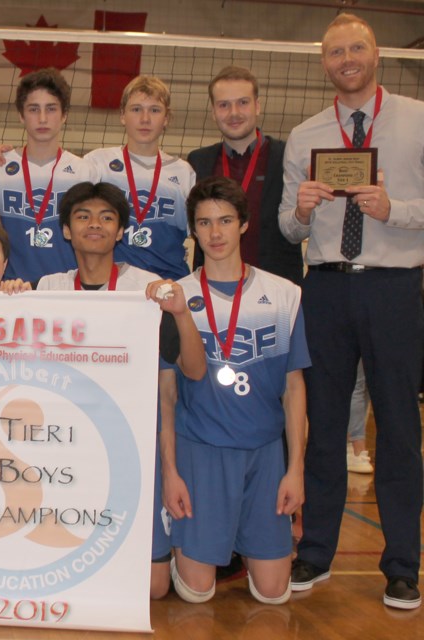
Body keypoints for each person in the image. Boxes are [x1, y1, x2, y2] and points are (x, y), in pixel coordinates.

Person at [279, 13, 423, 610]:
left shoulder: (418, 119)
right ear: (324, 62)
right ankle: (315, 552)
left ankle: (402, 565)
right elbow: (288, 227)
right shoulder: (305, 132)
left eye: (356, 47)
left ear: (376, 53)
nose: (347, 59)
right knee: (323, 429)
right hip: (328, 287)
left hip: (396, 286)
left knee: (397, 427)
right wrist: (306, 211)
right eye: (336, 51)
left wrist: (396, 208)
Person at [34, 181, 207, 599]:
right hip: (66, 446)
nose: (95, 224)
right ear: (65, 231)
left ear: (121, 231)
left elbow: (194, 371)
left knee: (154, 589)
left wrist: (180, 313)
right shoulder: (47, 289)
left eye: (107, 217)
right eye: (83, 217)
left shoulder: (149, 289)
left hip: (130, 446)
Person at [163, 176, 308, 605]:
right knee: (195, 593)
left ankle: (242, 540)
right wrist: (170, 472)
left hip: (264, 451)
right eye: (204, 223)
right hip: (200, 448)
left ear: (243, 225)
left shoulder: (284, 295)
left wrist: (295, 468)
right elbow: (166, 396)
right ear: (193, 230)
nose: (215, 233)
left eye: (225, 221)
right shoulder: (176, 298)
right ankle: (185, 547)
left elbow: (294, 388)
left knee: (273, 593)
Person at [187, 66, 303, 285]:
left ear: (257, 106)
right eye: (224, 105)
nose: (234, 113)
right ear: (213, 112)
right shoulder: (198, 162)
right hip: (213, 290)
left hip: (275, 288)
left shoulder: (287, 156)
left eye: (243, 102)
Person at [0, 68, 97, 285]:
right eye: (34, 109)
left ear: (64, 115)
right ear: (21, 115)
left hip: (66, 289)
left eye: (51, 109)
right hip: (12, 288)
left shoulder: (85, 172)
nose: (43, 118)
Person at [85, 75, 193, 280]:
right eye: (136, 109)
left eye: (154, 110)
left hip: (168, 281)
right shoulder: (97, 163)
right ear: (122, 115)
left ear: (166, 118)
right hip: (111, 284)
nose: (145, 119)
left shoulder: (183, 172)